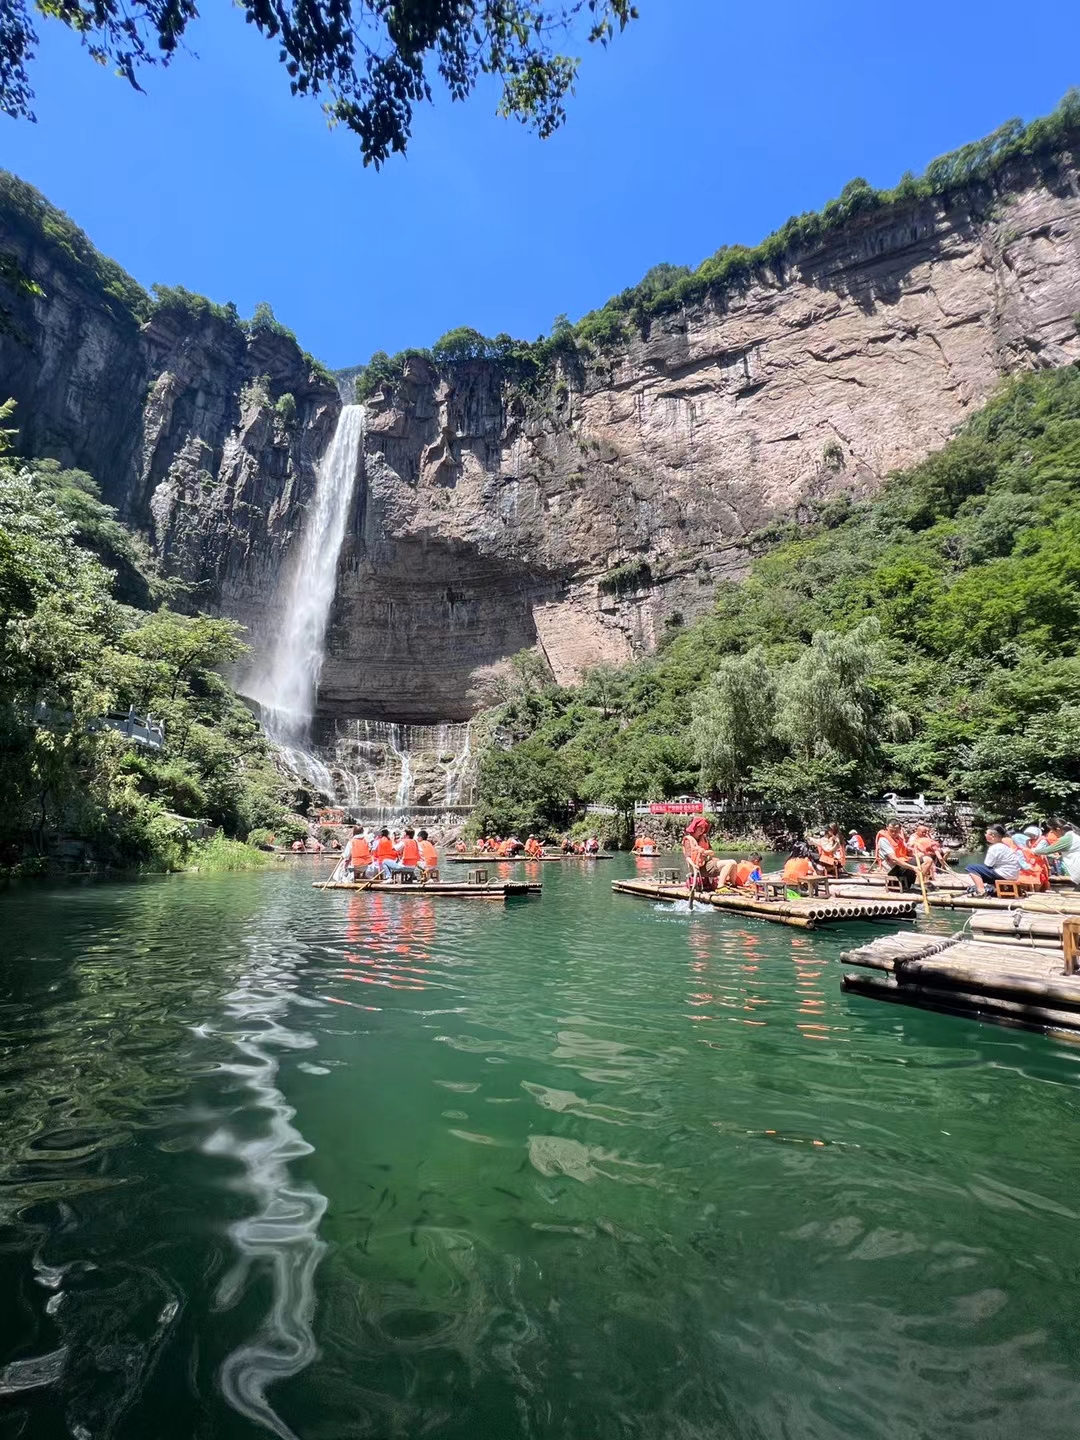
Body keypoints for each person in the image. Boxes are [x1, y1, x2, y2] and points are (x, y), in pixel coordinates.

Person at [965, 824, 1023, 895]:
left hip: (1005, 874)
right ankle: (991, 888)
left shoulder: (995, 847)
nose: (985, 835)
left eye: (986, 833)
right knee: (982, 872)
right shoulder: (1005, 846)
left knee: (971, 867)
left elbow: (988, 865)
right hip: (1013, 875)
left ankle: (981, 890)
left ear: (992, 836)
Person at [874, 821, 930, 892]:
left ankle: (919, 882)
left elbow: (906, 851)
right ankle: (917, 884)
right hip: (894, 868)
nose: (893, 833)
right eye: (891, 831)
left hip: (902, 863)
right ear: (887, 828)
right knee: (927, 860)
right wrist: (913, 867)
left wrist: (911, 850)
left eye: (896, 831)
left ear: (899, 830)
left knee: (923, 856)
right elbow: (894, 859)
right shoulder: (884, 840)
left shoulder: (900, 839)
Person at [682, 816, 724, 891]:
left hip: (707, 863)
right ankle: (720, 886)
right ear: (695, 827)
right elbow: (687, 856)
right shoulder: (688, 840)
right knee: (727, 864)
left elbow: (711, 852)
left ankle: (722, 884)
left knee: (726, 864)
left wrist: (704, 852)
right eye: (700, 827)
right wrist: (694, 865)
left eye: (703, 827)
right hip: (697, 867)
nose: (702, 830)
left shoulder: (704, 838)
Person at [1035, 818, 1080, 886]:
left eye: (1052, 831)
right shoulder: (1073, 836)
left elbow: (1048, 850)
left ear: (1058, 829)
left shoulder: (1067, 839)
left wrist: (1034, 851)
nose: (1052, 833)